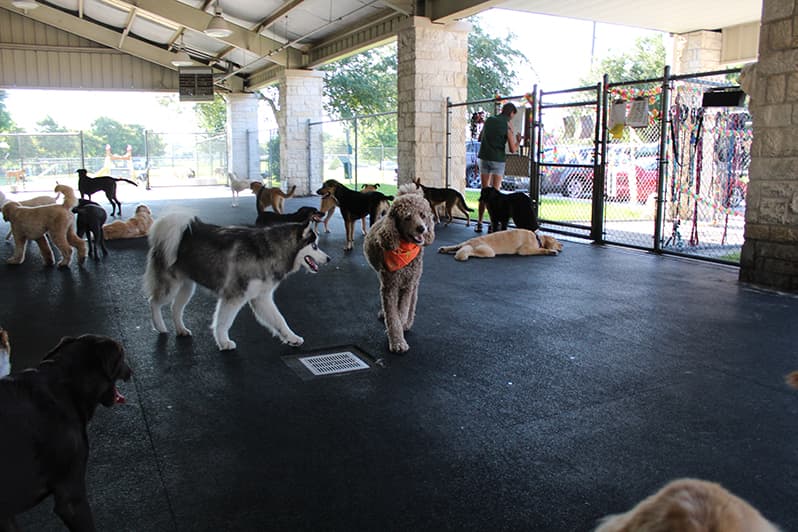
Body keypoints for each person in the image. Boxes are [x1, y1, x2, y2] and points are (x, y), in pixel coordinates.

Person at [475, 102, 522, 232]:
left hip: (484, 157)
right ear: (511, 113)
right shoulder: (507, 125)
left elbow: (480, 138)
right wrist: (518, 140)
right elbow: (513, 149)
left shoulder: (489, 120)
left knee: (484, 192)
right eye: (513, 115)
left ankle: (479, 222)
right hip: (498, 160)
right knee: (495, 194)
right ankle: (492, 224)